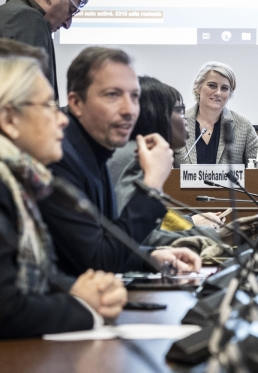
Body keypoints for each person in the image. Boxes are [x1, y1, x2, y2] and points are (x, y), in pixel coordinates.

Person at [37, 47, 201, 277]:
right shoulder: (59, 158)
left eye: (134, 97)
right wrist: (151, 186)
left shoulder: (95, 148)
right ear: (75, 103)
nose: (129, 110)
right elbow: (97, 261)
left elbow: (98, 244)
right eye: (112, 95)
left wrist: (148, 257)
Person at [0, 56, 127, 338]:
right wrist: (83, 306)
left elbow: (34, 276)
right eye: (48, 105)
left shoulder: (24, 181)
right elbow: (6, 310)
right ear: (9, 119)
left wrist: (78, 289)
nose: (61, 119)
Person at [108, 75, 224, 247]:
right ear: (155, 114)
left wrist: (191, 223)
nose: (186, 119)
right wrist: (218, 237)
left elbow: (152, 223)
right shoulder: (138, 157)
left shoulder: (139, 151)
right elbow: (138, 235)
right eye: (179, 111)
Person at [0, 0, 88, 100]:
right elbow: (30, 99)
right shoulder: (27, 17)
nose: (67, 24)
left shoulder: (7, 13)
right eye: (70, 11)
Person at [173, 61, 258, 166]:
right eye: (212, 86)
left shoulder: (244, 126)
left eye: (224, 88)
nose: (218, 93)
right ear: (198, 87)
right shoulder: (177, 123)